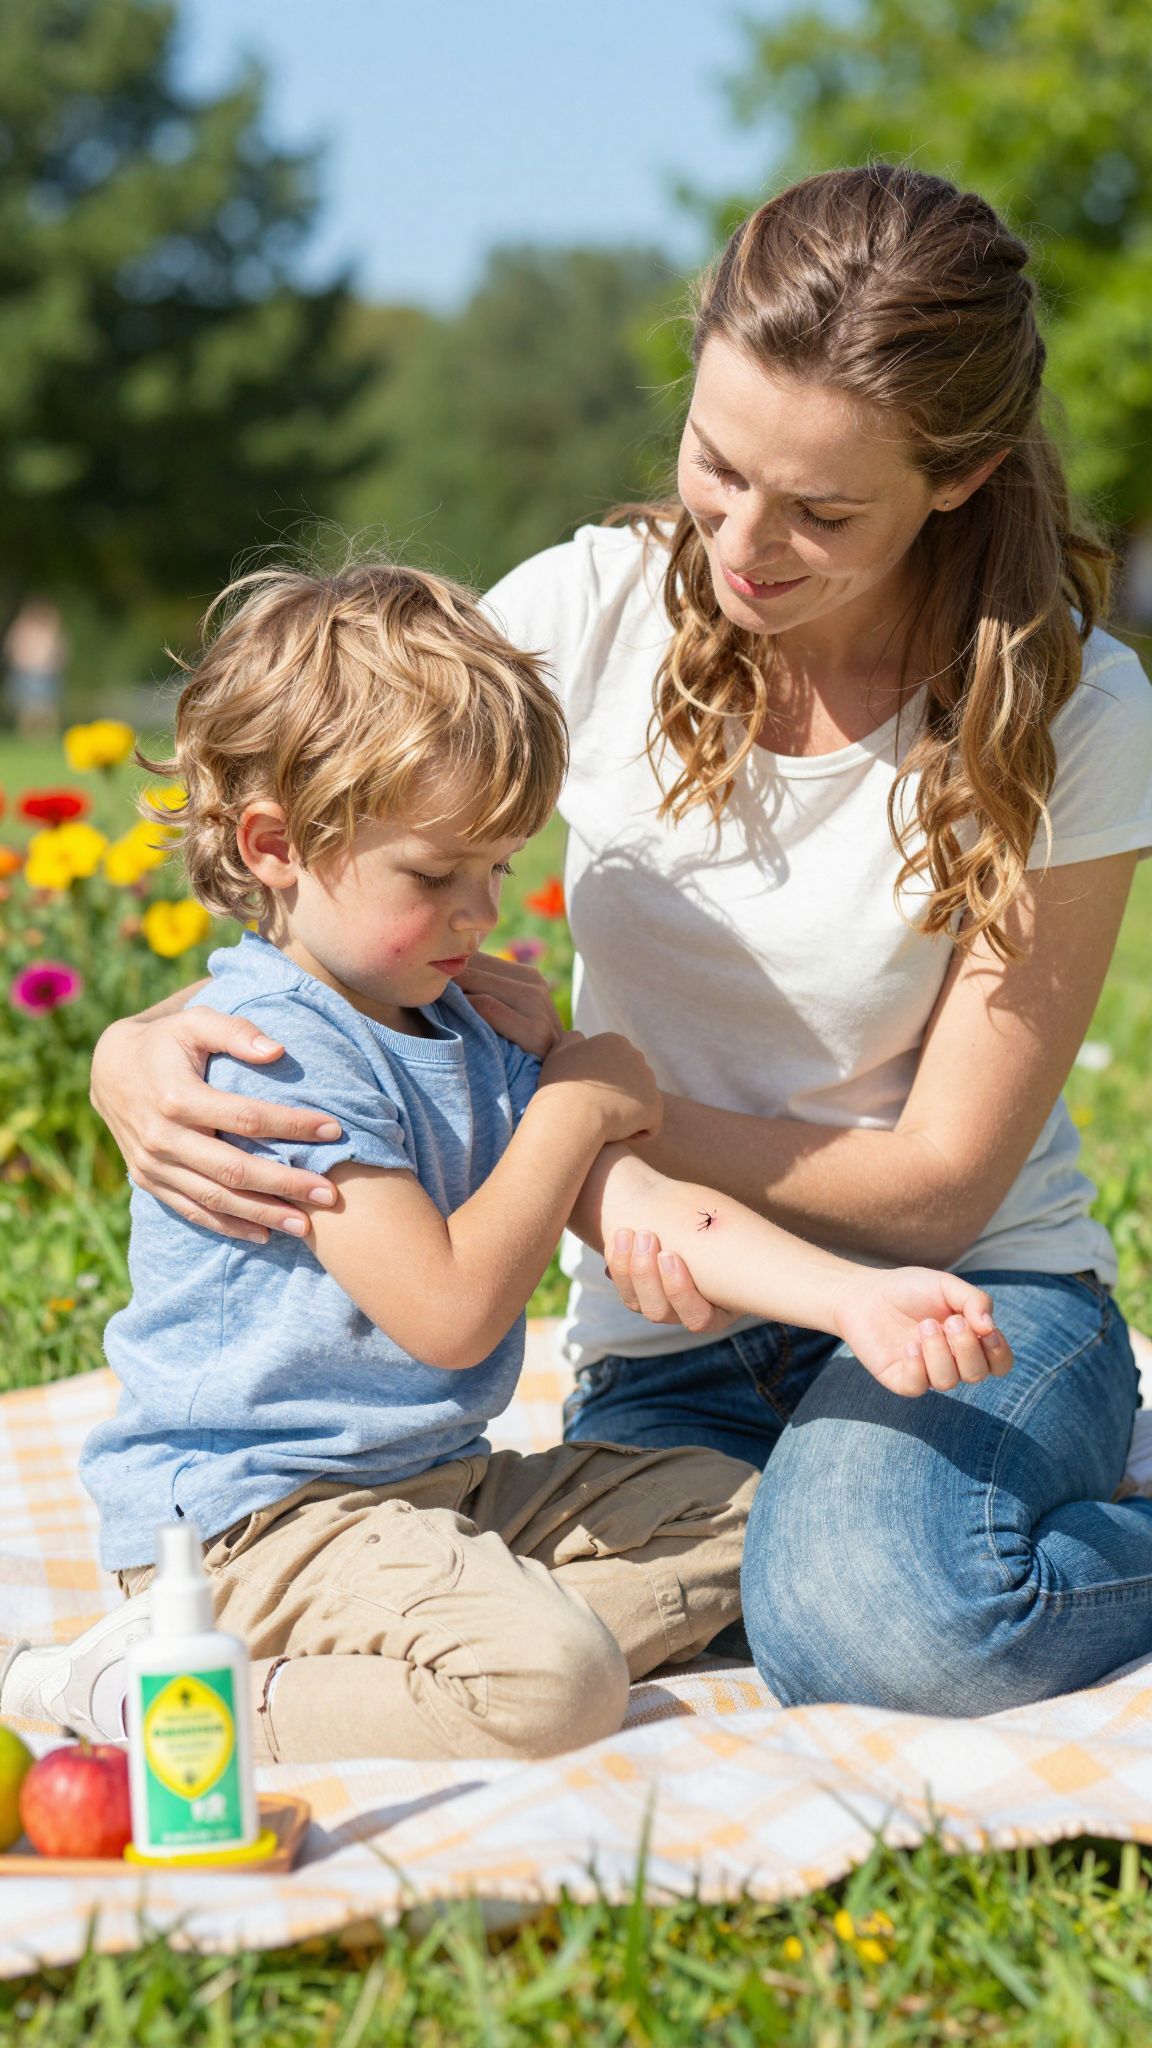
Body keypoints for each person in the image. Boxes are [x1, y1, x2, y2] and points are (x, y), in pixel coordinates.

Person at [88, 165, 1152, 1718]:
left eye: (823, 507)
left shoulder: (1076, 710)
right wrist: (135, 1049)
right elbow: (336, 812)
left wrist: (591, 1106)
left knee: (881, 1628)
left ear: (964, 475)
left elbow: (938, 1187)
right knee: (745, 1601)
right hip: (674, 1332)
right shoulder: (585, 615)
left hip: (964, 1291)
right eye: (715, 461)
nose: (742, 539)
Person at [1, 557, 1005, 1763]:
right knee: (554, 1687)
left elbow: (648, 1208)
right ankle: (145, 1691)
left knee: (770, 1523)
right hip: (254, 1523)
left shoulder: (459, 1017)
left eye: (500, 866)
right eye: (435, 875)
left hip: (436, 1490)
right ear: (275, 843)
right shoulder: (274, 1058)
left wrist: (858, 1298)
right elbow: (451, 1310)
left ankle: (427, 1646)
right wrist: (577, 1100)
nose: (482, 914)